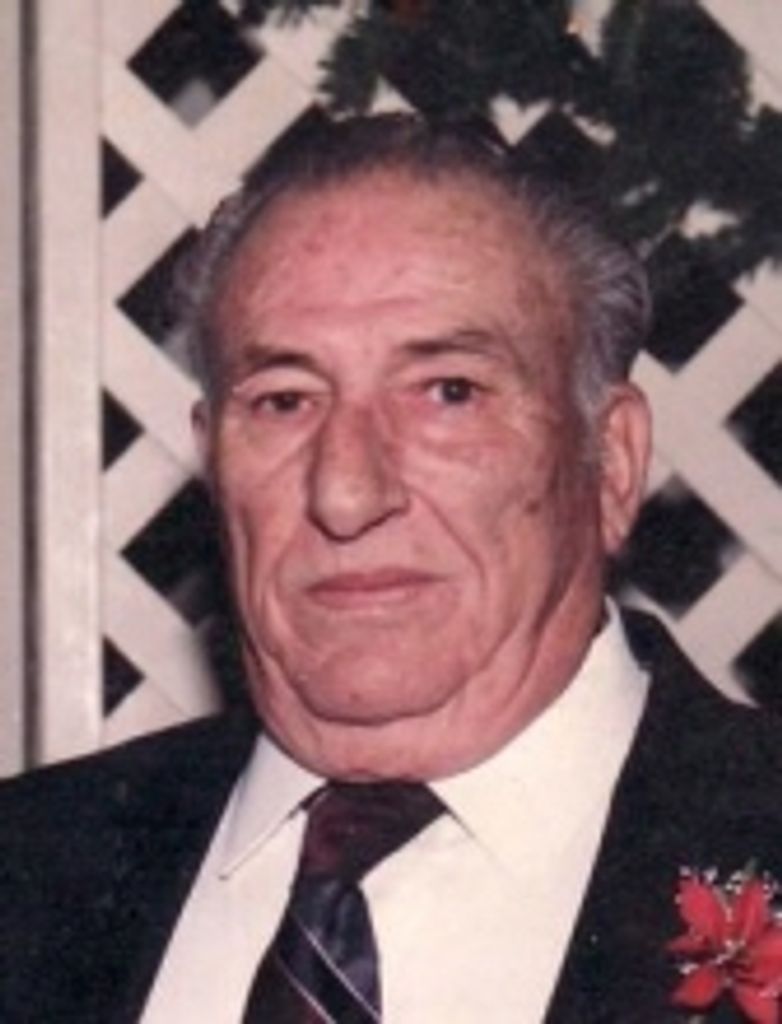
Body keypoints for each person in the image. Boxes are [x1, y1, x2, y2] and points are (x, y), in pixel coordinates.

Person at [2, 114, 781, 1024]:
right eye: (284, 400)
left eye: (449, 392)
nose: (345, 492)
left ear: (609, 463)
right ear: (212, 463)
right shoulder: (28, 872)